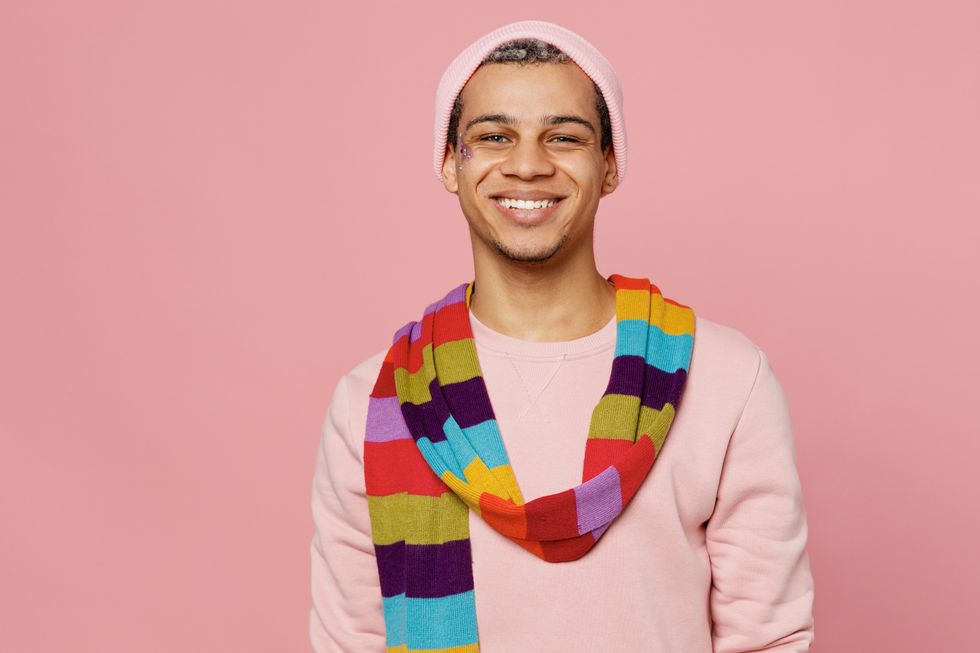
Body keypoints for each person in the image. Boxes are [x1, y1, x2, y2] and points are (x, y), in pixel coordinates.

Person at [309, 19, 814, 653]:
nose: (527, 165)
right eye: (494, 136)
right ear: (448, 165)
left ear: (609, 165)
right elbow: (349, 642)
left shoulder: (727, 378)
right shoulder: (375, 401)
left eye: (564, 137)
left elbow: (768, 639)